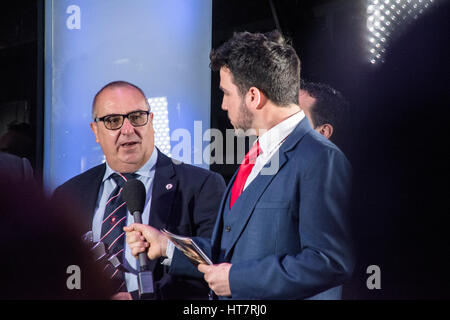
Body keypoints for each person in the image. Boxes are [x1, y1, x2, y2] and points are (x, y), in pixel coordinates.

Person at [125, 30, 354, 300]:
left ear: (254, 96)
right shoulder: (256, 154)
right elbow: (232, 253)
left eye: (226, 93)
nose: (222, 104)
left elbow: (330, 261)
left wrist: (237, 280)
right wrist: (168, 247)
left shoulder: (322, 158)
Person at [53, 81, 226, 300]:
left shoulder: (202, 185)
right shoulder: (68, 195)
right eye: (113, 121)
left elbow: (218, 263)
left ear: (151, 121)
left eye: (136, 117)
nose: (127, 130)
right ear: (95, 131)